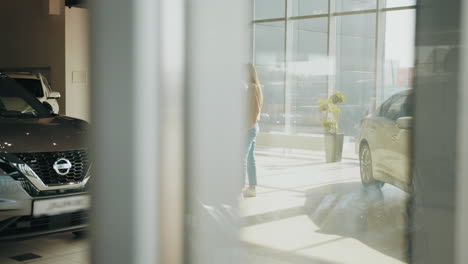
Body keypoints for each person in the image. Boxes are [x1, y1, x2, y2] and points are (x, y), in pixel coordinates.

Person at [243, 64, 263, 198]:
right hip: (252, 127)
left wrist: (244, 129)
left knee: (241, 158)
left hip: (249, 128)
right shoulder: (255, 87)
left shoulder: (252, 88)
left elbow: (254, 111)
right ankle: (252, 188)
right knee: (250, 158)